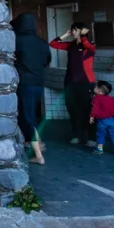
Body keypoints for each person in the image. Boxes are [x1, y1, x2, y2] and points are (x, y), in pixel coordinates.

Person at [12, 13, 50, 165]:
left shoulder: (17, 41)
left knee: (27, 118)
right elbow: (47, 61)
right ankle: (39, 142)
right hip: (39, 83)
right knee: (31, 115)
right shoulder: (42, 42)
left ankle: (39, 155)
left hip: (24, 83)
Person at [50, 22, 96, 146]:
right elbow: (53, 44)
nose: (73, 32)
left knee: (87, 109)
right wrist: (66, 35)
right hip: (70, 82)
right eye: (73, 30)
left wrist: (83, 35)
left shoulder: (89, 46)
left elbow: (86, 44)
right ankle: (76, 134)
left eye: (75, 30)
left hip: (85, 82)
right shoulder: (70, 45)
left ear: (82, 31)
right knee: (72, 109)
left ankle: (91, 136)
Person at [90, 80, 114, 155]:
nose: (94, 88)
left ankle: (99, 149)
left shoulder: (96, 98)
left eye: (96, 87)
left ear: (99, 90)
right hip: (112, 120)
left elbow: (95, 109)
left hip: (102, 120)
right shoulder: (111, 99)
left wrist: (92, 116)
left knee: (100, 134)